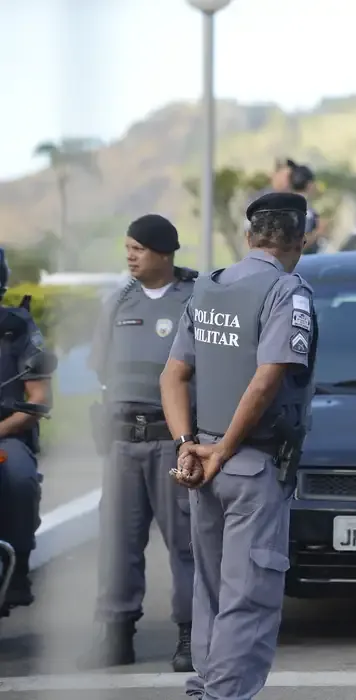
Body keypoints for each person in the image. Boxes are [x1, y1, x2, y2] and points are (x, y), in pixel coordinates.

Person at [159, 191, 317, 700]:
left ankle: (205, 684)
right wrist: (225, 447)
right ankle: (224, 694)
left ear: (249, 238)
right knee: (249, 594)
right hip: (249, 464)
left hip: (200, 465)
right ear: (298, 240)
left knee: (211, 589)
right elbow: (268, 378)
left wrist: (188, 444)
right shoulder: (287, 291)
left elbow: (173, 374)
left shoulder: (208, 287)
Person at [78, 215, 199, 672]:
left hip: (173, 442)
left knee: (186, 543)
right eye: (127, 247)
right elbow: (101, 369)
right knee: (117, 542)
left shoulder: (195, 299)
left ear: (165, 253)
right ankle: (116, 635)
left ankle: (190, 637)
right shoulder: (118, 302)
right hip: (123, 442)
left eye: (139, 248)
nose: (129, 255)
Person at [0, 248, 52, 617]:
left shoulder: (17, 328)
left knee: (19, 479)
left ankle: (18, 570)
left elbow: (39, 398)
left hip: (7, 433)